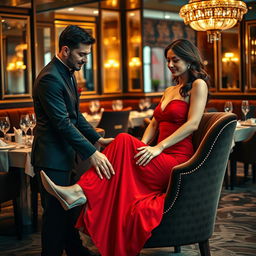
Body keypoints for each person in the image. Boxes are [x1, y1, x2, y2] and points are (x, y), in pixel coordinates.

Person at [40, 39, 210, 256]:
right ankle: (80, 192)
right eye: (167, 60)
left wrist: (159, 147)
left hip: (177, 160)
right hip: (160, 155)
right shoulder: (169, 90)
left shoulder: (198, 85)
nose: (170, 65)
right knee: (126, 141)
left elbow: (193, 124)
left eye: (175, 60)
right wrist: (143, 146)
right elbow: (155, 123)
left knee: (122, 139)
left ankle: (80, 190)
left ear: (189, 58)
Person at [31, 25, 115, 256]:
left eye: (87, 54)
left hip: (66, 156)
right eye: (82, 54)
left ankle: (77, 252)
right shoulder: (50, 78)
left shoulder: (66, 73)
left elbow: (76, 117)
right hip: (51, 158)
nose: (86, 60)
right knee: (55, 218)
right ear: (66, 50)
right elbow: (63, 124)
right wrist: (92, 153)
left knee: (69, 213)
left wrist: (98, 139)